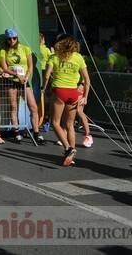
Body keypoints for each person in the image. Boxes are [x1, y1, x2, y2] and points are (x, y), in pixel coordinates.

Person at [43, 35, 90, 167]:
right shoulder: (79, 57)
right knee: (70, 124)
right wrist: (85, 96)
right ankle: (71, 153)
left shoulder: (54, 57)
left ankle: (68, 148)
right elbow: (87, 80)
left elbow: (47, 76)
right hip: (73, 93)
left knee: (55, 122)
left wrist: (44, 88)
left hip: (59, 91)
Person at [0, 28, 44, 144]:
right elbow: (4, 67)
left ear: (17, 38)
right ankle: (16, 132)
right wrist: (16, 75)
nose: (12, 40)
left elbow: (30, 66)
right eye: (9, 39)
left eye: (14, 38)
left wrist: (27, 77)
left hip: (24, 81)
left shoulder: (25, 48)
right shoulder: (4, 51)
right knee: (14, 107)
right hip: (12, 81)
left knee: (33, 107)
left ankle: (36, 133)